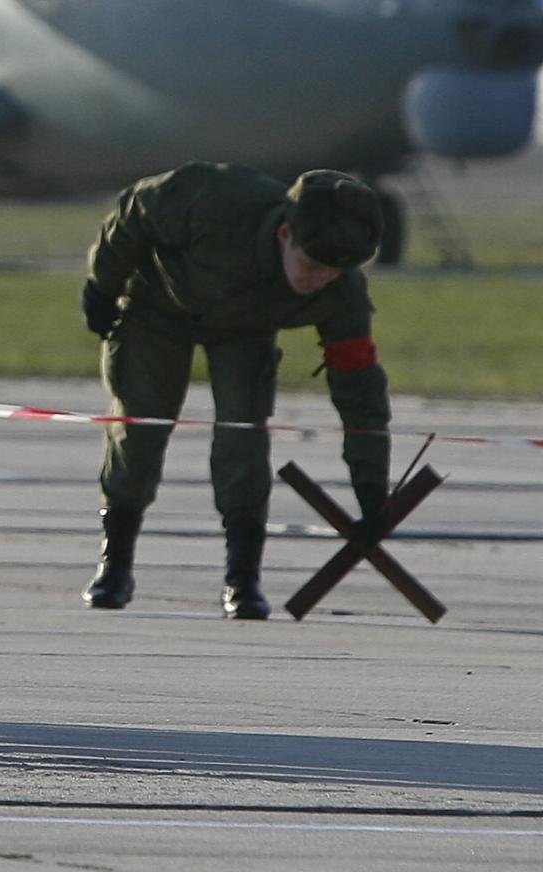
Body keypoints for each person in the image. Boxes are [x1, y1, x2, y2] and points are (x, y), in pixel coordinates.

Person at [77, 164, 392, 620]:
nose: (321, 279)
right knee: (140, 426)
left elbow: (358, 387)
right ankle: (115, 564)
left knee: (243, 438)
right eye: (312, 264)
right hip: (157, 308)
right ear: (285, 234)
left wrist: (371, 488)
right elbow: (134, 213)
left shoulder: (341, 289)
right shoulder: (212, 201)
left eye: (334, 270)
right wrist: (103, 286)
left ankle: (242, 578)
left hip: (247, 331)